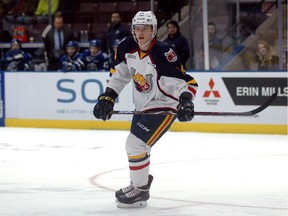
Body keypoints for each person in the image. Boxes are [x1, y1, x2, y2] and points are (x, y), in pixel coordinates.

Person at [93, 11, 198, 208]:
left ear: (154, 30)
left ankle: (140, 191)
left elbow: (187, 82)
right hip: (143, 105)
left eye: (145, 28)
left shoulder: (163, 52)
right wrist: (108, 96)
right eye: (137, 28)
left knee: (135, 145)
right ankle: (140, 184)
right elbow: (120, 75)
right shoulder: (126, 46)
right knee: (139, 146)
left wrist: (186, 102)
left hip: (164, 104)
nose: (140, 32)